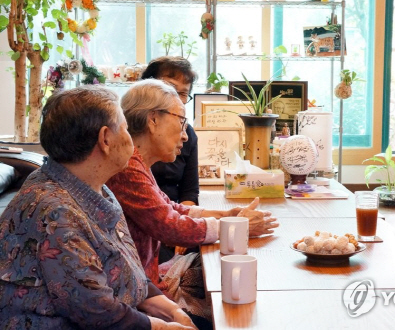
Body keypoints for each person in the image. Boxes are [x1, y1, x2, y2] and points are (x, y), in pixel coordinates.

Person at [0, 86, 195, 329]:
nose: (131, 139)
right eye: (125, 128)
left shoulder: (95, 187)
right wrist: (163, 326)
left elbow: (126, 267)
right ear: (105, 139)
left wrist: (169, 308)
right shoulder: (54, 214)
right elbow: (96, 311)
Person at [106, 80, 279, 326]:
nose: (186, 135)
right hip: (141, 294)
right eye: (181, 121)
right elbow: (170, 226)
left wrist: (226, 215)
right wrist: (235, 225)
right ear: (153, 120)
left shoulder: (137, 162)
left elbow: (170, 207)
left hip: (147, 283)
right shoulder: (128, 168)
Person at [143, 56, 199, 205]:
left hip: (173, 215)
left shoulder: (188, 134)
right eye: (170, 89)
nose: (176, 98)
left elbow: (190, 193)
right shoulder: (127, 131)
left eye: (183, 93)